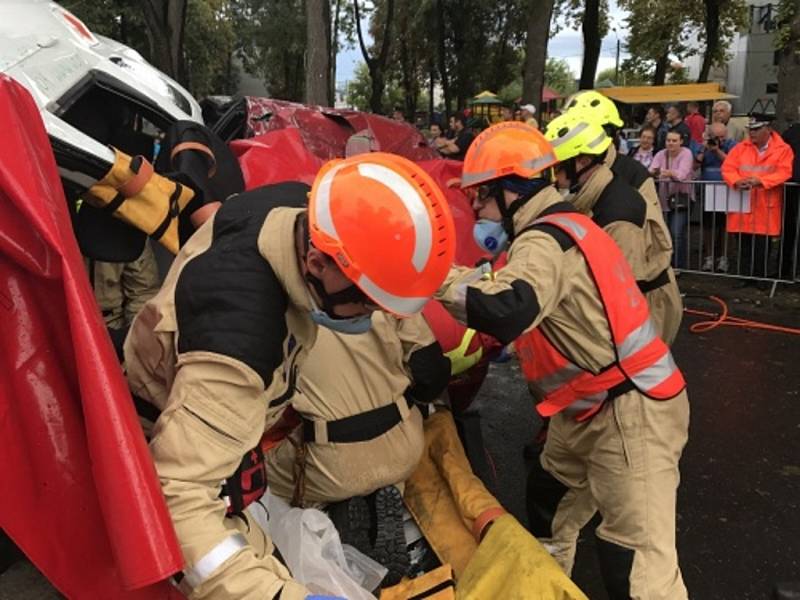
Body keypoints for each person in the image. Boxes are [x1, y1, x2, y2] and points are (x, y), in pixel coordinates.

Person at [123, 154, 456, 600]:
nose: (373, 316)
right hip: (173, 433)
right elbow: (177, 501)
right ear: (317, 263)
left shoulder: (295, 209)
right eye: (366, 304)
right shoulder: (236, 349)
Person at [436, 121, 690, 600]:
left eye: (480, 196)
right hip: (589, 408)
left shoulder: (544, 239)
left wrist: (428, 279)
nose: (475, 208)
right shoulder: (559, 225)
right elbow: (501, 281)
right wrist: (453, 274)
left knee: (636, 565)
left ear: (509, 189)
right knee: (551, 508)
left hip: (632, 415)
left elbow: (510, 306)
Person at [546, 112, 683, 346]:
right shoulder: (598, 193)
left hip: (647, 310)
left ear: (582, 161)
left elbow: (620, 293)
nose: (555, 176)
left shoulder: (618, 217)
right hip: (637, 304)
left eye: (557, 166)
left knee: (638, 378)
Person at [722, 113, 794, 277]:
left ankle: (760, 277)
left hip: (765, 203)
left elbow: (785, 172)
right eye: (750, 129)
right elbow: (728, 168)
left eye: (756, 129)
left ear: (768, 129)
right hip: (743, 201)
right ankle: (745, 276)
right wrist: (737, 181)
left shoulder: (783, 149)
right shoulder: (740, 148)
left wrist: (760, 181)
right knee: (743, 242)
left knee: (763, 243)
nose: (751, 133)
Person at [86, 241, 160, 361]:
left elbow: (143, 293)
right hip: (64, 330)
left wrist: (131, 338)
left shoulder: (131, 231)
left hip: (114, 326)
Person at [695, 121, 737, 272]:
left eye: (721, 137)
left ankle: (724, 257)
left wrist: (717, 150)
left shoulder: (732, 144)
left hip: (727, 190)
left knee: (726, 225)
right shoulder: (705, 145)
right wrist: (703, 149)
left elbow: (732, 163)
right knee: (708, 225)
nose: (719, 140)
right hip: (708, 189)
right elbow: (694, 165)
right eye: (715, 137)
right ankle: (709, 257)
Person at [650, 131, 696, 269]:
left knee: (677, 232)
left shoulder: (686, 153)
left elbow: (682, 174)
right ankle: (666, 264)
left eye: (674, 140)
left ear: (681, 141)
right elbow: (651, 170)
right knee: (665, 233)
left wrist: (665, 172)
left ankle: (678, 265)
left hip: (682, 198)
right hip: (664, 199)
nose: (670, 143)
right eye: (668, 140)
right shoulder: (660, 154)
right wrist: (658, 172)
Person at [781, 114, 800, 278]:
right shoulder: (790, 133)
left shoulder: (790, 133)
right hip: (791, 187)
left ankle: (791, 270)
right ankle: (784, 269)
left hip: (792, 184)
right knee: (788, 229)